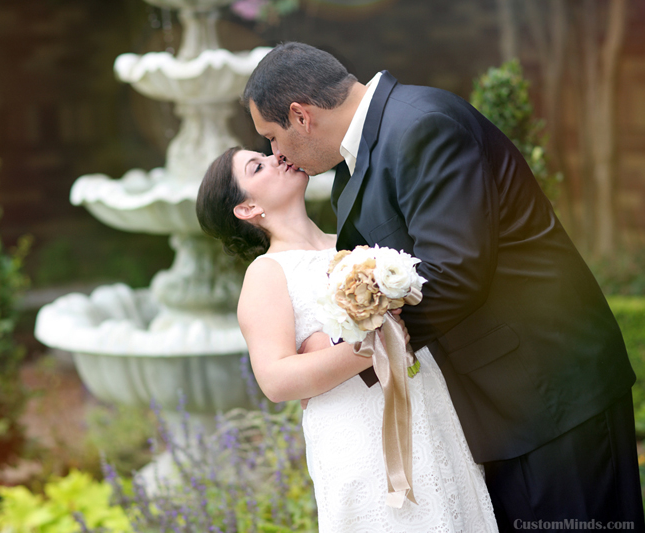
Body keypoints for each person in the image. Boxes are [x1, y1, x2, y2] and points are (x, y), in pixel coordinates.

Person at [241, 41, 644, 531]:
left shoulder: (421, 126)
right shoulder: (358, 165)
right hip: (497, 408)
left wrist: (349, 349)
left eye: (271, 137)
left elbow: (455, 271)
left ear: (301, 116)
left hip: (550, 393)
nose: (275, 153)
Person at [196, 147, 498, 531]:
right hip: (356, 431)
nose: (276, 158)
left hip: (425, 403)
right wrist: (368, 347)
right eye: (258, 167)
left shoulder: (353, 240)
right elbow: (275, 379)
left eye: (266, 154)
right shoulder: (267, 273)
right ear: (247, 209)